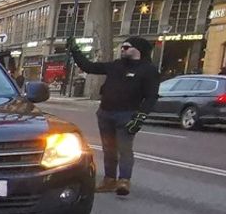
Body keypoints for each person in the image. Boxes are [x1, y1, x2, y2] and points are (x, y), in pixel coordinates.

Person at [68, 36, 160, 196]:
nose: (123, 50)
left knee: (124, 149)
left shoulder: (148, 70)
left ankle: (124, 180)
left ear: (138, 50)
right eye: (122, 48)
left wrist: (140, 117)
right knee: (109, 149)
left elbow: (151, 97)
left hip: (127, 115)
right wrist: (75, 51)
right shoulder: (116, 66)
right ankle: (109, 180)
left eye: (127, 47)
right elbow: (89, 67)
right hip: (106, 113)